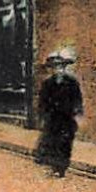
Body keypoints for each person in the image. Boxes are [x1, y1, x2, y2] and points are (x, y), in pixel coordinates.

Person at [34, 49, 84, 178]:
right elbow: (42, 101)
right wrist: (42, 115)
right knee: (52, 142)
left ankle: (61, 168)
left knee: (65, 143)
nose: (59, 69)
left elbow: (77, 99)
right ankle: (53, 166)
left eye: (61, 66)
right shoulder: (48, 84)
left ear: (65, 67)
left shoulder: (72, 83)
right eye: (56, 67)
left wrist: (77, 112)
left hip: (67, 118)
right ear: (52, 69)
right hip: (52, 118)